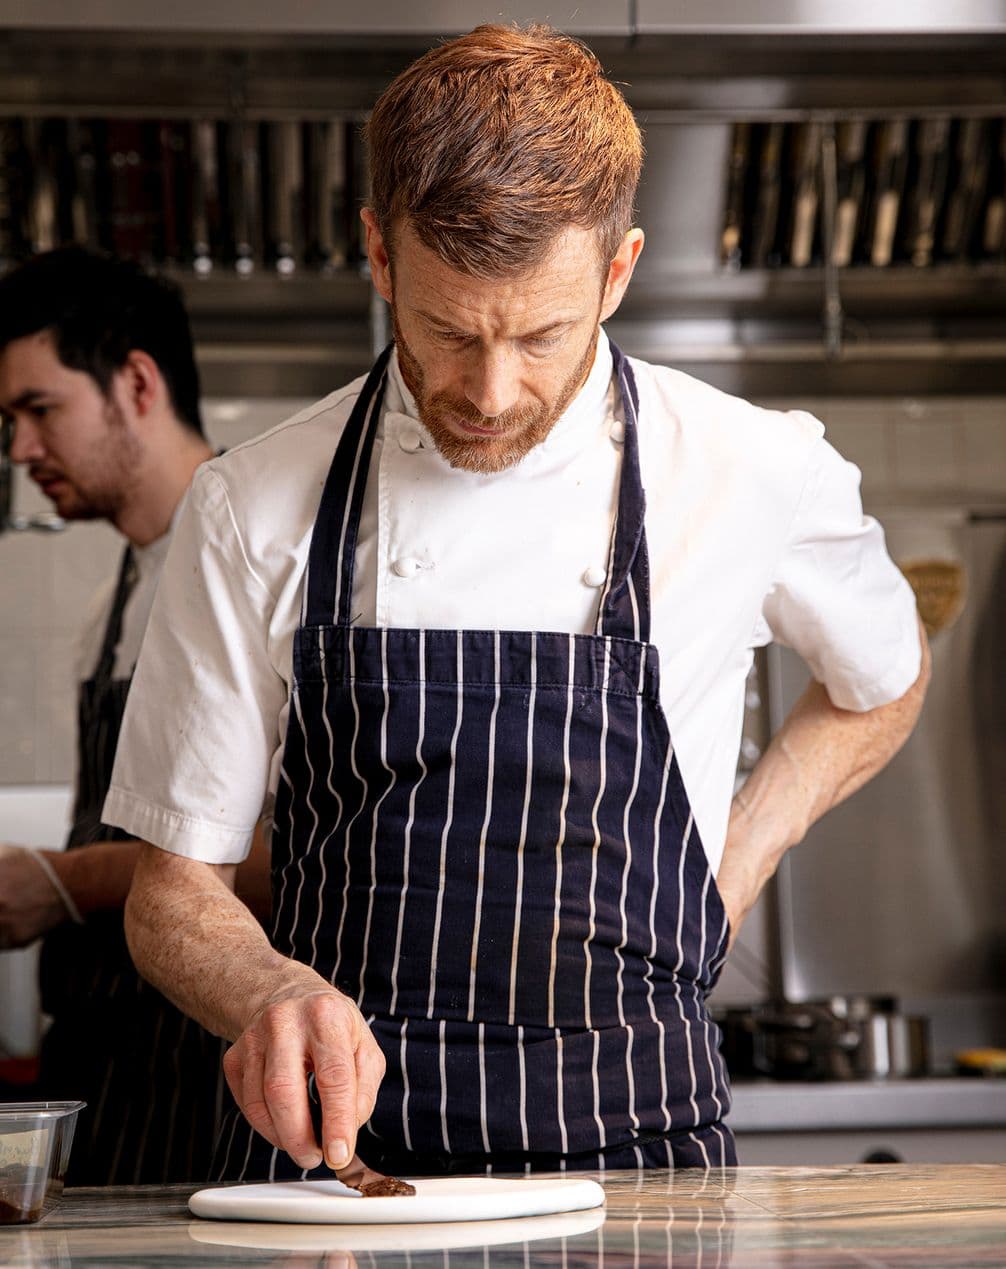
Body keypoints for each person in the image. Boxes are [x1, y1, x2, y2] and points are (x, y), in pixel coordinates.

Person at [110, 26, 929, 1176]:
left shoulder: (751, 470)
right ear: (380, 260)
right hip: (340, 1167)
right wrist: (263, 988)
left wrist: (731, 866)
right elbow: (172, 890)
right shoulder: (251, 503)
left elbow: (880, 684)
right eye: (448, 332)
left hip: (638, 1159)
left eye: (541, 335)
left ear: (619, 271)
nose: (490, 393)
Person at [0, 246, 270, 1184]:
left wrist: (65, 882)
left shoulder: (262, 567)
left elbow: (302, 857)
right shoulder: (109, 606)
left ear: (137, 384)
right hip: (103, 1082)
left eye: (41, 410)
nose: (21, 450)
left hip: (206, 1086)